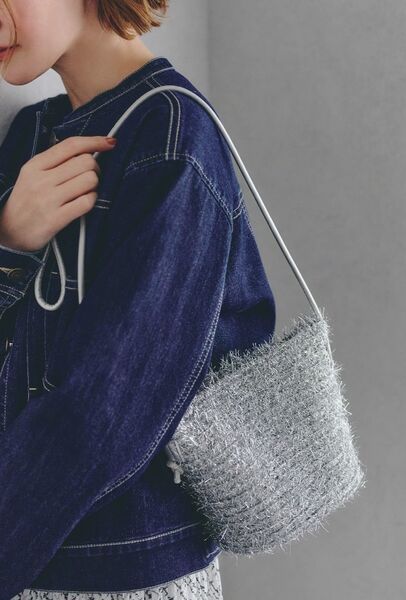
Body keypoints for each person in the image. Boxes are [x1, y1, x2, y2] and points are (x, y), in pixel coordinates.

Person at [0, 1, 276, 598]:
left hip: (121, 574)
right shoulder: (30, 135)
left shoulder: (173, 138)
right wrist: (9, 243)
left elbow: (107, 409)